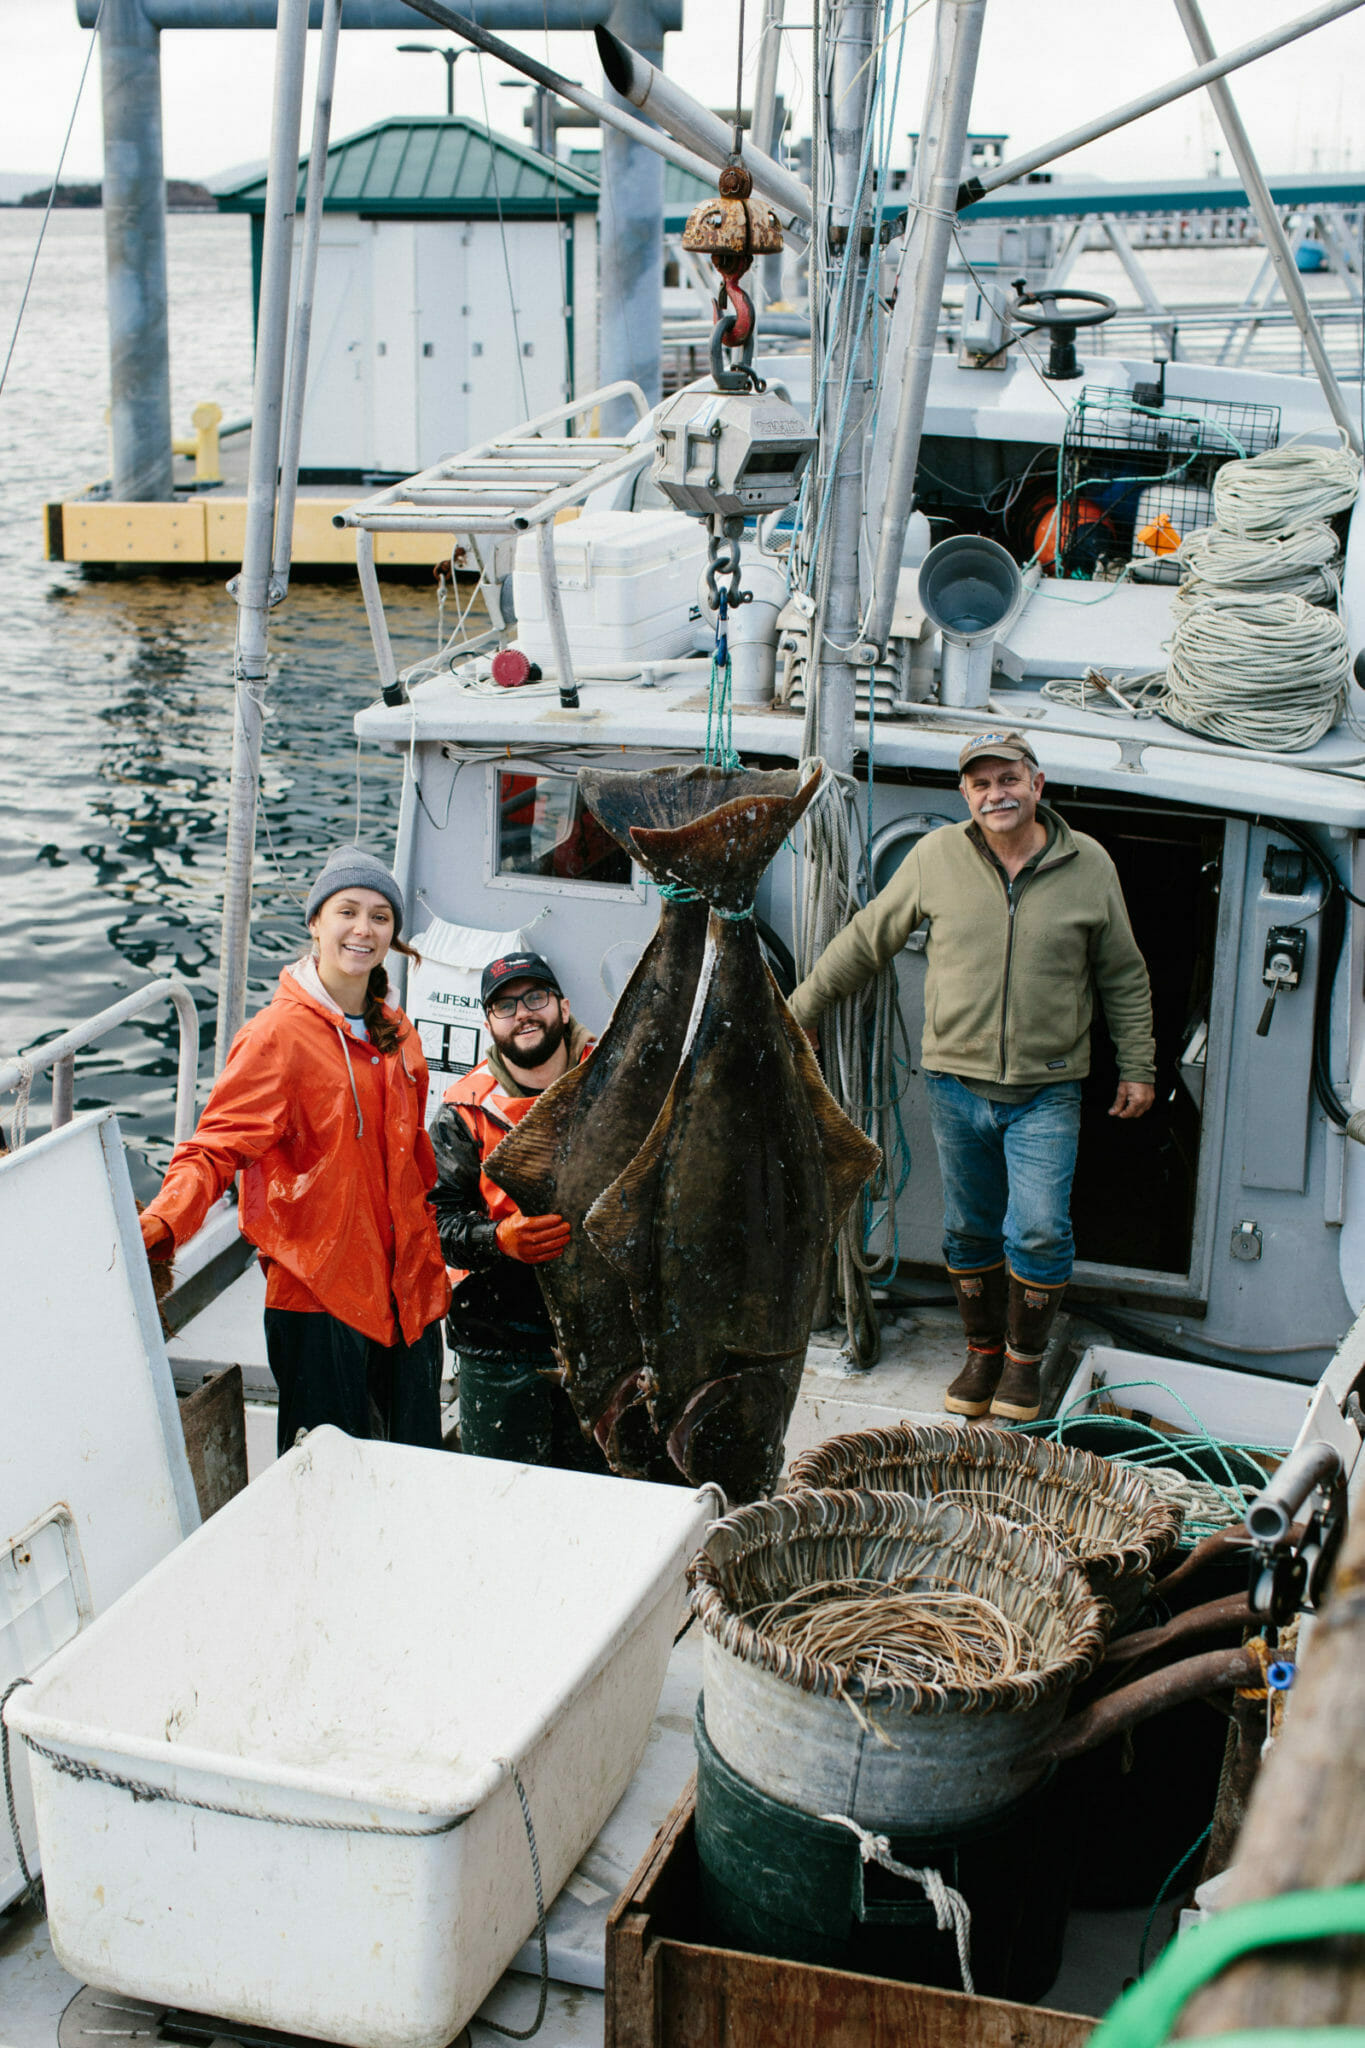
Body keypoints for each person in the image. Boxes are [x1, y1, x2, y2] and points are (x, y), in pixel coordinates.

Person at [789, 732, 1155, 1425]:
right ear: (964, 795)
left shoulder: (1088, 864)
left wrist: (1138, 1064)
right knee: (968, 1229)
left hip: (1047, 1091)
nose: (997, 794)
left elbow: (1122, 973)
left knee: (1039, 1231)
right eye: (981, 784)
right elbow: (868, 937)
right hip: (955, 1085)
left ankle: (1023, 1362)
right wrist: (800, 1011)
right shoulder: (935, 858)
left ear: (1036, 784)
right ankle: (982, 1350)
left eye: (1008, 779)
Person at [139, 847, 451, 1454]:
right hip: (318, 1297)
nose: (364, 929)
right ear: (316, 923)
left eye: (380, 916)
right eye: (348, 911)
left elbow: (417, 1168)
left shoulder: (399, 1032)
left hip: (408, 1295)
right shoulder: (276, 1036)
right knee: (326, 1486)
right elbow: (214, 1149)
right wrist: (164, 1224)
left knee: (414, 1473)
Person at [430, 950, 605, 1469]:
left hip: (604, 1335)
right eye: (505, 1006)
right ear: (488, 1024)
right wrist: (498, 1240)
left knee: (607, 1498)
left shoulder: (615, 1084)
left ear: (563, 1007)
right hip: (497, 1342)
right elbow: (434, 1224)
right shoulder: (463, 1111)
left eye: (535, 997)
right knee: (499, 1500)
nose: (522, 1013)